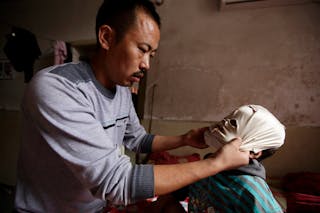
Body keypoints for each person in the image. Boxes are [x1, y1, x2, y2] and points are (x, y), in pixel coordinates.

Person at [14, 0, 249, 212]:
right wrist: (216, 163)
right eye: (142, 50)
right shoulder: (57, 88)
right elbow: (117, 182)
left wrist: (185, 139)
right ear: (106, 37)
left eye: (152, 55)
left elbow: (137, 139)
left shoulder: (122, 90)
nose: (146, 64)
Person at [188, 105, 285, 213]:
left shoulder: (251, 191)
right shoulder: (205, 167)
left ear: (254, 152)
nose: (225, 123)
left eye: (234, 123)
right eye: (226, 118)